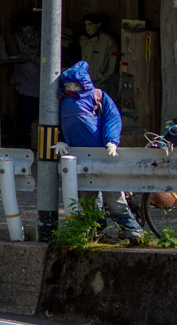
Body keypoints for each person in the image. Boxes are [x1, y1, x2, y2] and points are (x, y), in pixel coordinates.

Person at [59, 59, 142, 240]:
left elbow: (112, 118)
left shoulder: (97, 96)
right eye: (68, 85)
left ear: (83, 83)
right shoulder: (63, 101)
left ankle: (133, 231)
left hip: (104, 156)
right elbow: (58, 125)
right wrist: (61, 141)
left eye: (75, 85)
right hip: (81, 158)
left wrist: (111, 141)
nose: (71, 88)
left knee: (114, 197)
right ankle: (99, 233)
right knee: (90, 200)